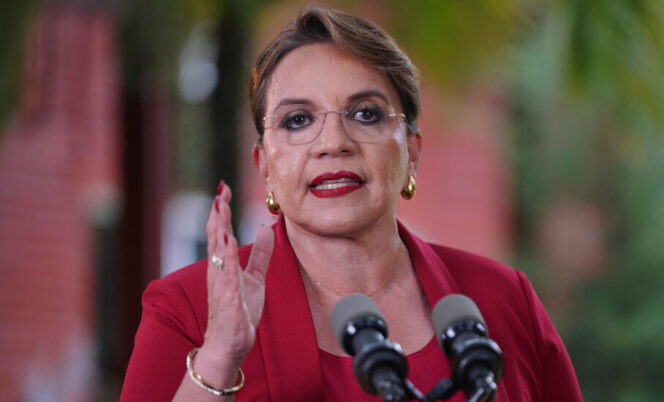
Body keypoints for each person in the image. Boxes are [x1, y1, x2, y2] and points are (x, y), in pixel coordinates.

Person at [120, 5, 582, 401]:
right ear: (264, 165)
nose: (333, 143)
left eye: (366, 114)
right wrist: (219, 357)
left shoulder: (505, 299)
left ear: (411, 151)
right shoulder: (187, 311)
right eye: (297, 120)